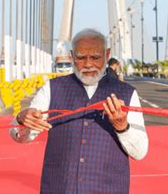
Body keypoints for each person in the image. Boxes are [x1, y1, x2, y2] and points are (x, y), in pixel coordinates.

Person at [10, 28, 148, 193]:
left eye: (95, 57)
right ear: (71, 56)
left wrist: (122, 127)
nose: (88, 64)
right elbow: (20, 135)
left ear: (107, 54)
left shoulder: (127, 92)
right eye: (81, 58)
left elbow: (140, 152)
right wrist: (21, 119)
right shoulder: (53, 89)